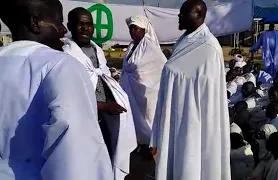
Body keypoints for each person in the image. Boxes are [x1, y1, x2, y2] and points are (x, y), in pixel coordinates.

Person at [0, 0, 114, 179]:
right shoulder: (60, 65)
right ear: (35, 23)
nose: (63, 30)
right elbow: (75, 159)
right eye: (59, 22)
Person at [150, 0, 231, 179]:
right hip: (176, 115)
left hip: (194, 121)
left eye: (183, 13)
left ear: (199, 15)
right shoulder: (184, 40)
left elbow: (208, 98)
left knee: (190, 163)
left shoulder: (208, 47)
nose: (178, 16)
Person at [62, 7, 137, 180]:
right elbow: (67, 96)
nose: (85, 28)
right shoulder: (65, 54)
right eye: (80, 24)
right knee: (85, 163)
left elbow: (101, 79)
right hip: (81, 122)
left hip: (103, 118)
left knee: (107, 156)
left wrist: (114, 98)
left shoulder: (98, 51)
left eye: (89, 24)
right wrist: (102, 106)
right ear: (70, 26)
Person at [120, 15, 166, 148]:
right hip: (130, 92)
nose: (132, 32)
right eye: (130, 29)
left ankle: (151, 146)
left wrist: (137, 78)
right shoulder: (132, 46)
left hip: (145, 93)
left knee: (148, 120)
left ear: (144, 29)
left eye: (135, 28)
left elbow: (161, 67)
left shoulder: (149, 46)